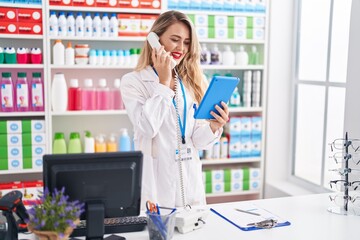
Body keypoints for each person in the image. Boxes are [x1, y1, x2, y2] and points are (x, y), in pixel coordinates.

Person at [120, 10, 229, 209]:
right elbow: (147, 127)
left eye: (187, 42)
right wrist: (164, 82)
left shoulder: (193, 81)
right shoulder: (133, 82)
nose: (181, 48)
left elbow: (197, 141)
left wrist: (213, 126)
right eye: (175, 39)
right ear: (155, 39)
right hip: (156, 184)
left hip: (190, 183)